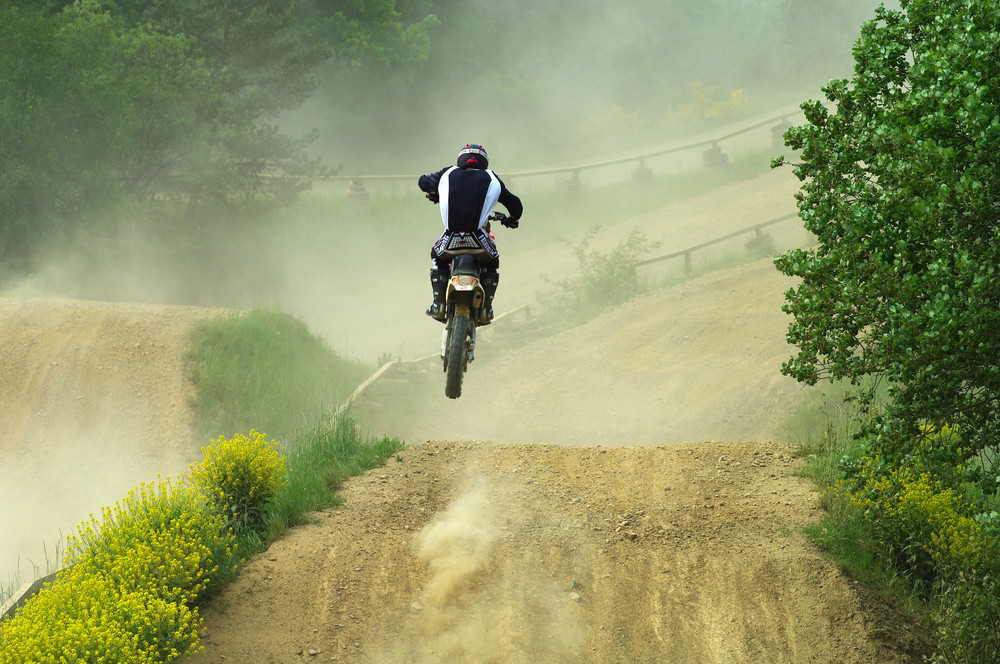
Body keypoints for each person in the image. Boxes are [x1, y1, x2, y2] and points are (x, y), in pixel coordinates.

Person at [418, 143, 523, 324]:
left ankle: (438, 304)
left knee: (437, 255)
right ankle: (487, 309)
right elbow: (515, 205)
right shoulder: (491, 178)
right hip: (478, 241)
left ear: (461, 160)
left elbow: (423, 181)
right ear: (484, 162)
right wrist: (511, 219)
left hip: (450, 239)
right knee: (493, 261)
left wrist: (435, 192)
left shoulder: (448, 173)